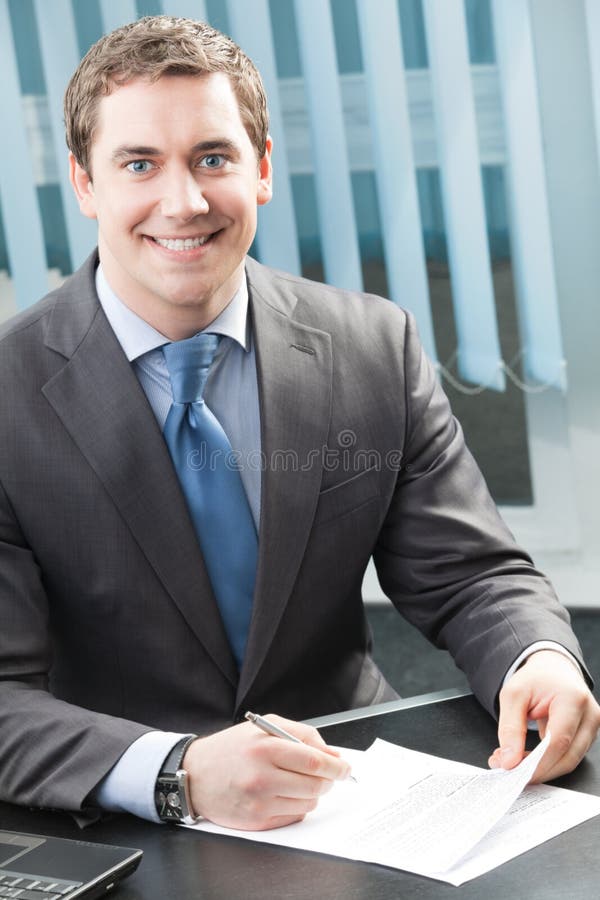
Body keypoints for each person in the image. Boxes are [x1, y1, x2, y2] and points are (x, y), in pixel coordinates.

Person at [0, 15, 598, 832]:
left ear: (263, 169)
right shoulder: (8, 393)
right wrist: (174, 771)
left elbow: (470, 575)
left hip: (357, 786)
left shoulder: (370, 344)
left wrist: (542, 657)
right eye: (140, 163)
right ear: (84, 184)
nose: (185, 200)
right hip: (119, 813)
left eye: (213, 157)